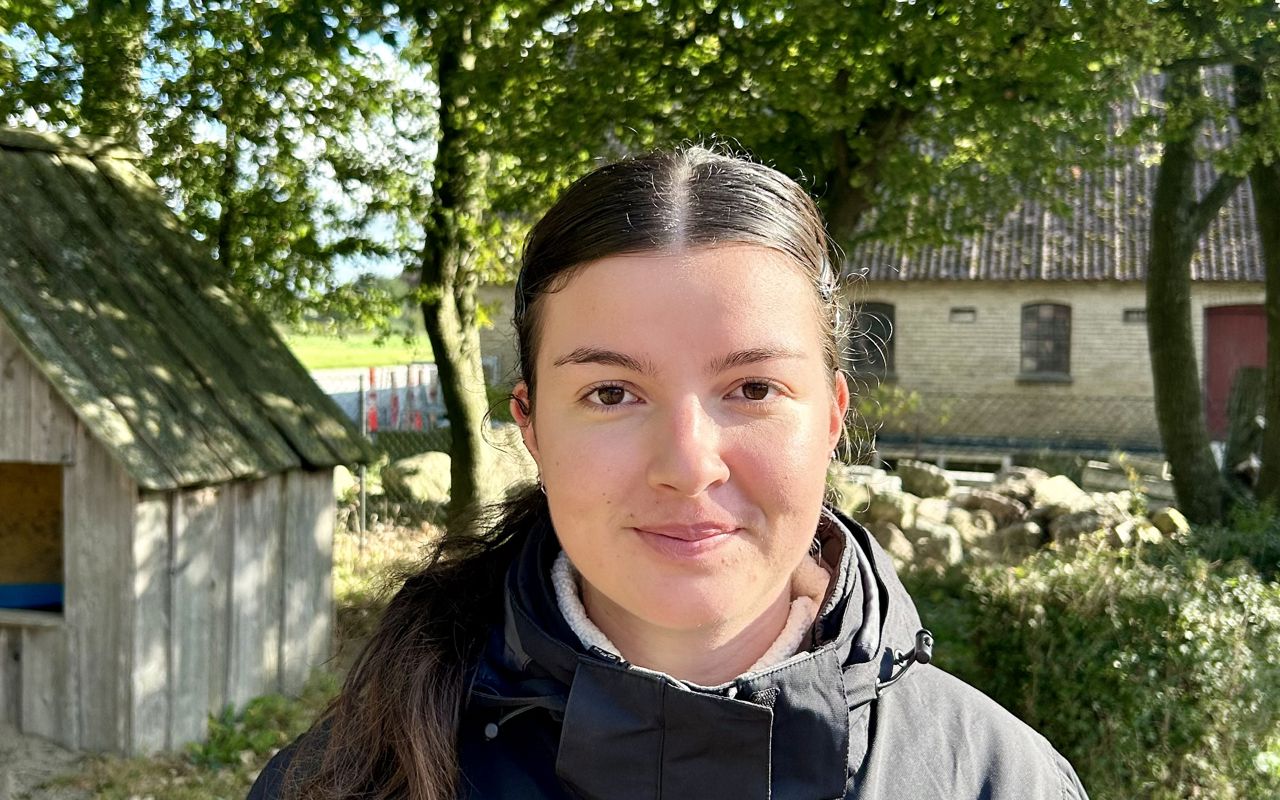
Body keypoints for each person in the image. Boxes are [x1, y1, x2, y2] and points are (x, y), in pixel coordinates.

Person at [248, 146, 1088, 800]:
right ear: (530, 425)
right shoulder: (348, 780)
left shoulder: (1003, 780)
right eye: (612, 393)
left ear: (832, 417)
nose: (688, 467)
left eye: (752, 389)